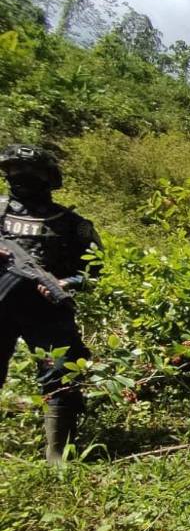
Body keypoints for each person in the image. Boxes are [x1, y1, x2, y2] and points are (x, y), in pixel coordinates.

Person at [0, 144, 102, 463]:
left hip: (45, 312)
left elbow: (94, 272)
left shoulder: (72, 224)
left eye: (31, 172)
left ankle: (57, 456)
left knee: (61, 376)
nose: (22, 177)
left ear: (49, 178)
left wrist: (64, 283)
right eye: (15, 170)